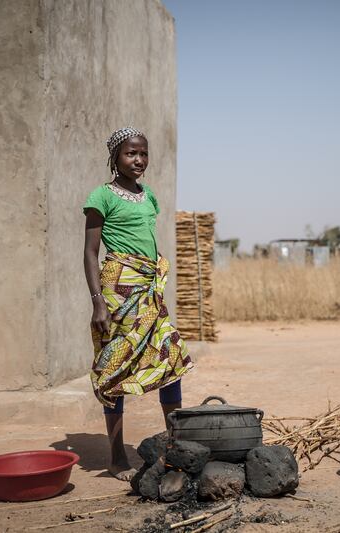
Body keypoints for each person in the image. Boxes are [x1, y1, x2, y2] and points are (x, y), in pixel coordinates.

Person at [83, 127, 194, 481]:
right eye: (131, 154)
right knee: (117, 366)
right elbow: (89, 253)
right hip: (119, 290)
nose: (139, 160)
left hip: (148, 289)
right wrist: (98, 302)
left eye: (143, 154)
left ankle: (174, 447)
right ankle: (116, 458)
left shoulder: (149, 196)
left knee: (171, 359)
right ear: (115, 156)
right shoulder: (101, 196)